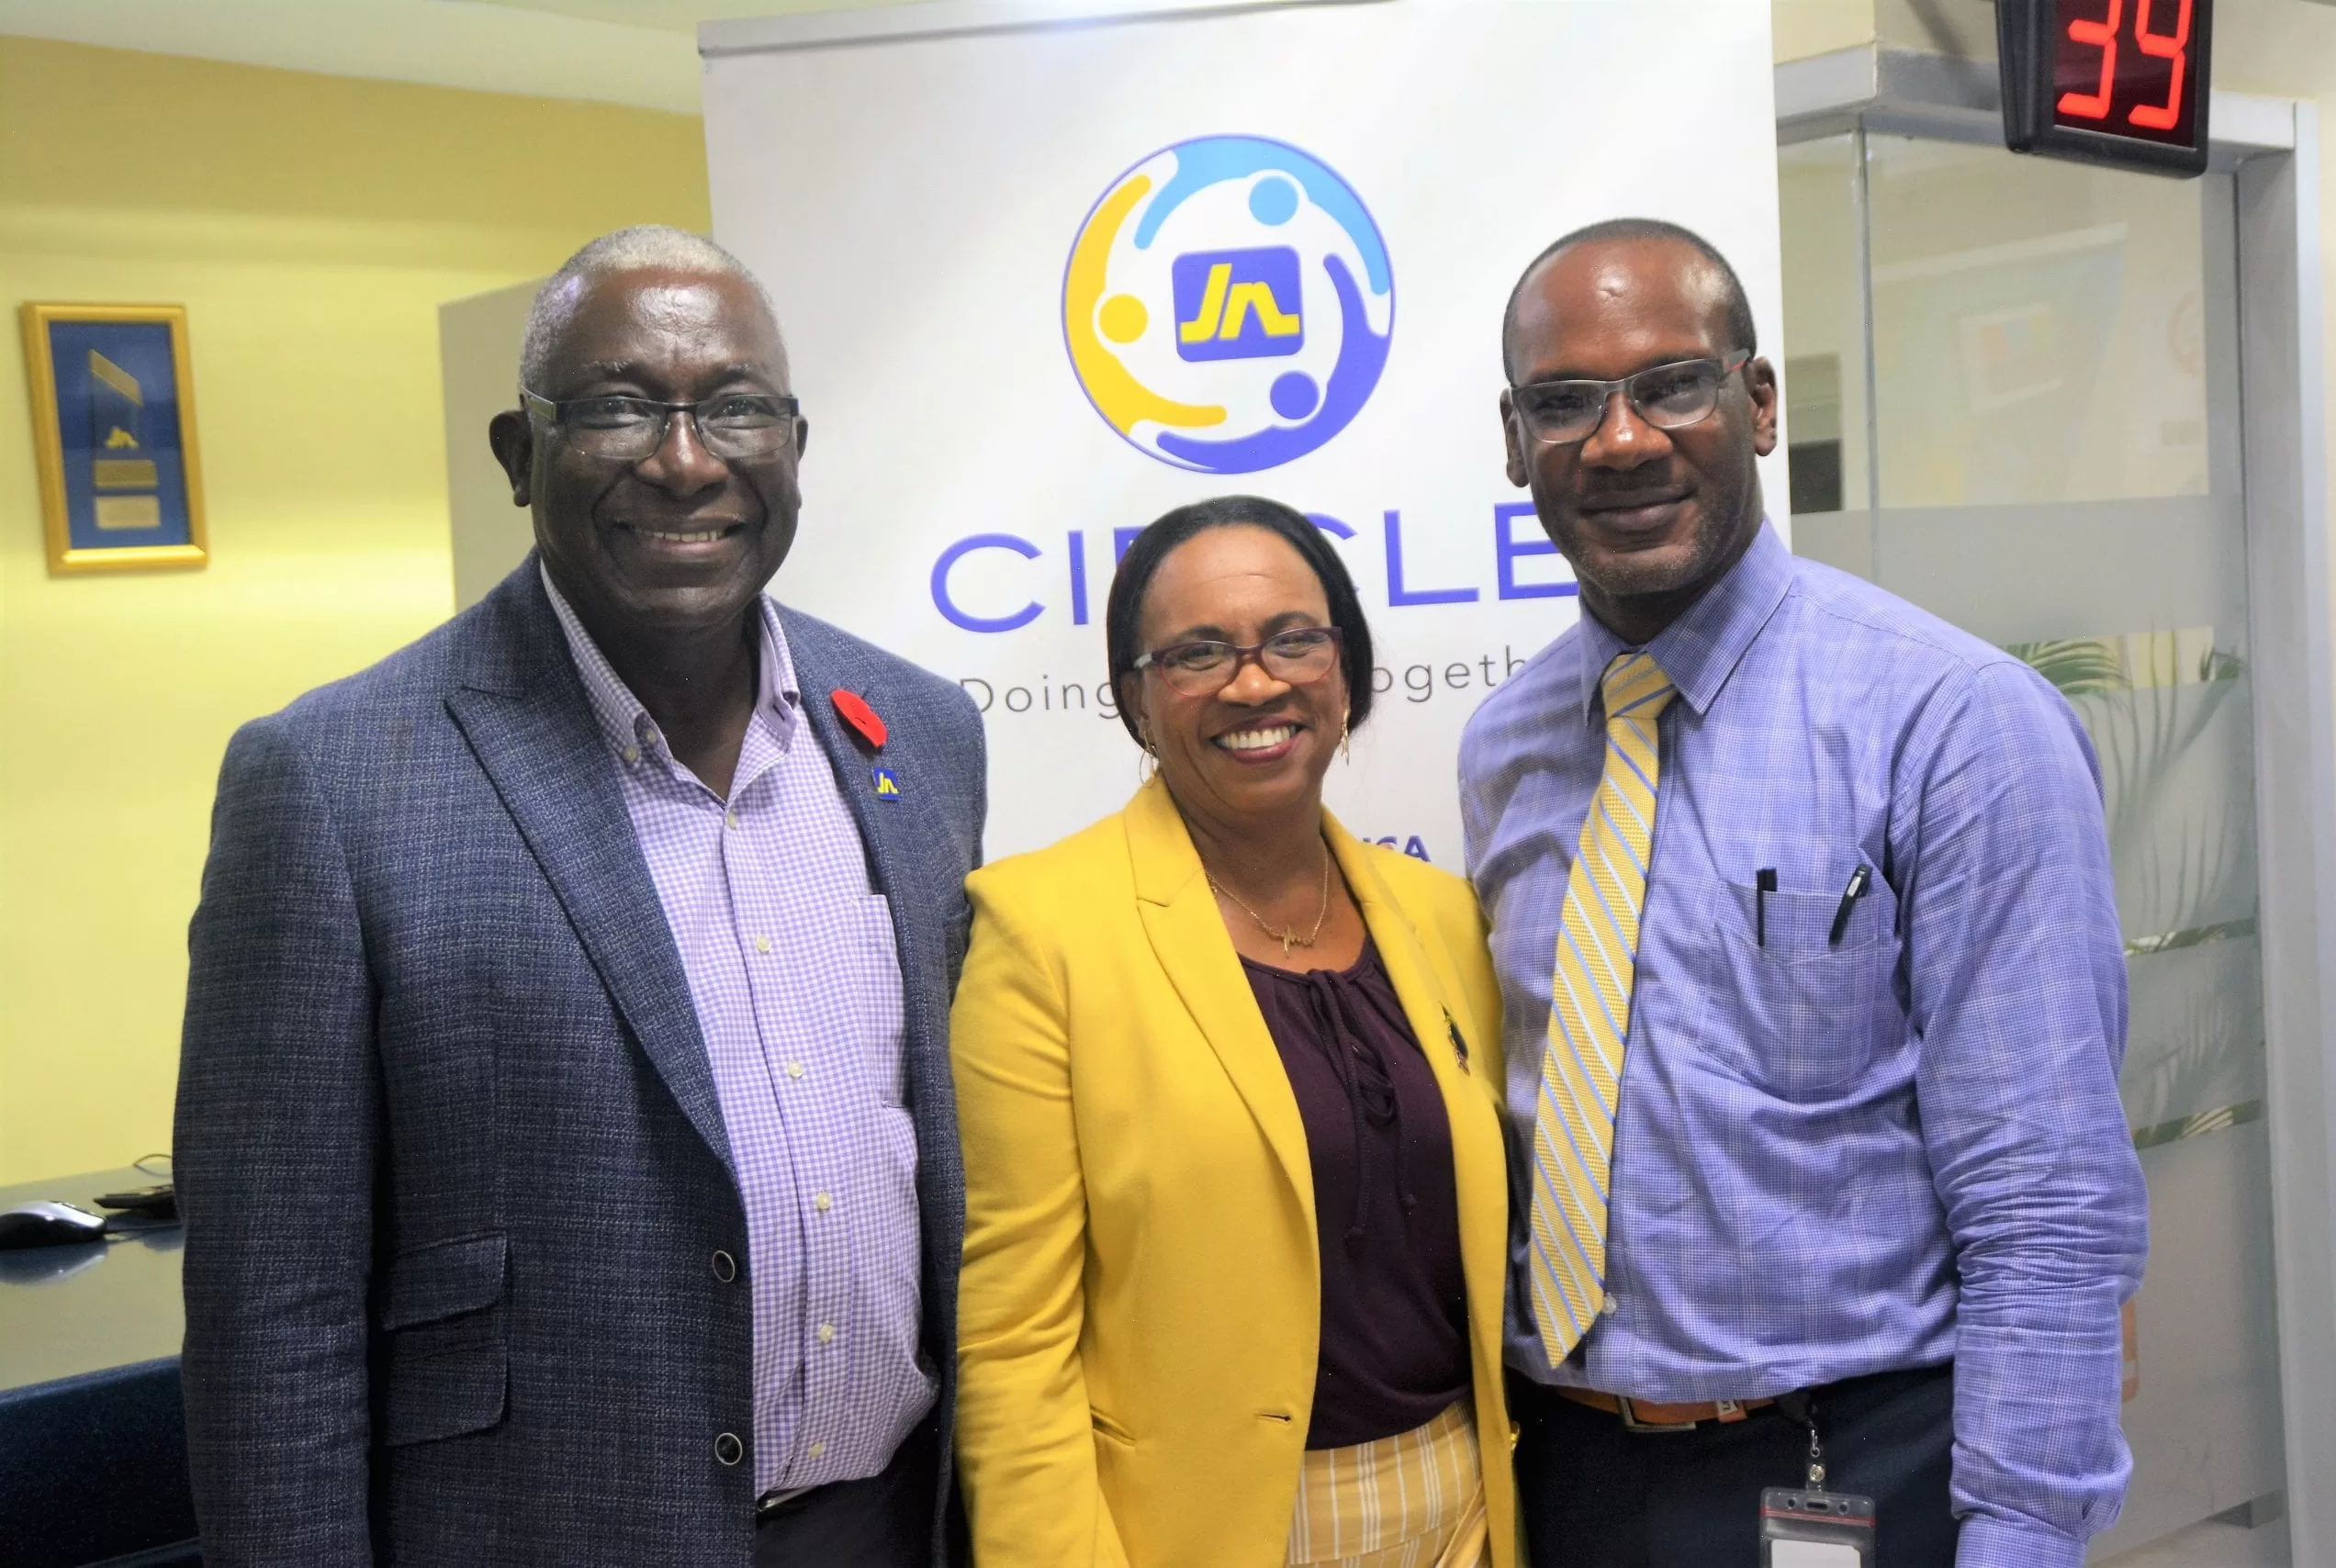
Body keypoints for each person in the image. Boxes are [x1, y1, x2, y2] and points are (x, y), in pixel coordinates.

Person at [174, 226, 984, 1568]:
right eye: (617, 405)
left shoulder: (918, 732)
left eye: (734, 406)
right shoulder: (328, 782)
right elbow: (274, 1322)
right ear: (516, 453)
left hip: (902, 1522)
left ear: (792, 446)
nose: (684, 458)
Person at [1459, 218, 2148, 1568]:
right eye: (1565, 402)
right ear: (1513, 439)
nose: (1621, 441)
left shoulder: (1952, 721)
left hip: (1859, 1465)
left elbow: (2045, 1192)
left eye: (1671, 383)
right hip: (1568, 1472)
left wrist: (2022, 1532)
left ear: (1757, 404)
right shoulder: (1510, 747)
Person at [949, 497, 1519, 1568]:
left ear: (1343, 671)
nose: (1255, 683)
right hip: (1204, 1529)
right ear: (1133, 699)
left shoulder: (1445, 916)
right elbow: (1012, 1342)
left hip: (1465, 1509)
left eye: (1294, 640)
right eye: (1197, 653)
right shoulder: (1044, 932)